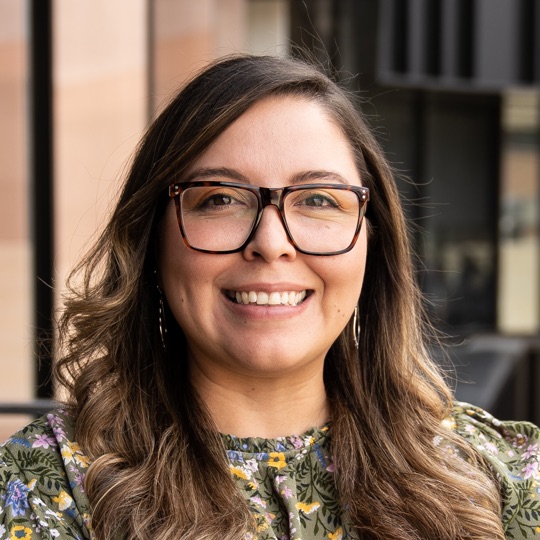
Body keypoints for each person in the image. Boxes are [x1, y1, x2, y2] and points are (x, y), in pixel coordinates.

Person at [0, 54, 539, 540]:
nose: (272, 244)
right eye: (219, 199)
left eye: (320, 199)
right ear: (151, 241)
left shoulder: (500, 473)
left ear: (374, 243)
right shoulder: (47, 487)